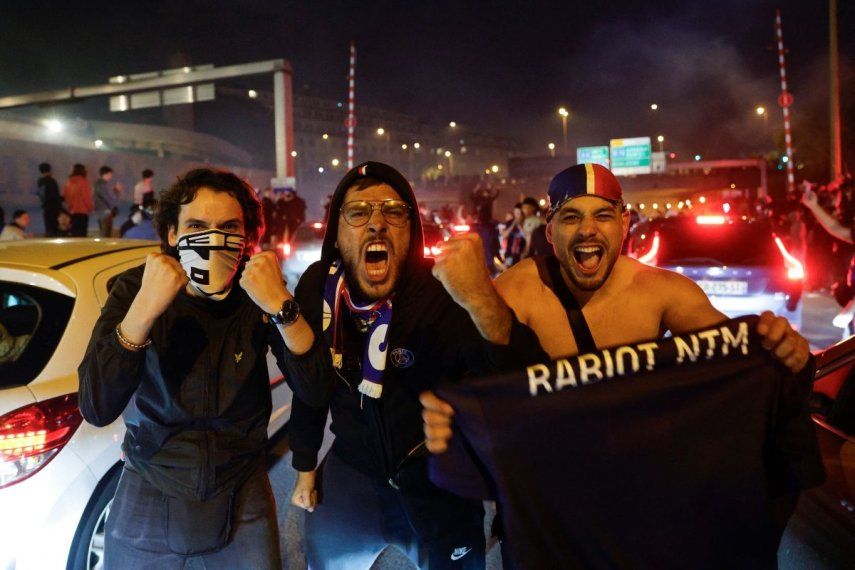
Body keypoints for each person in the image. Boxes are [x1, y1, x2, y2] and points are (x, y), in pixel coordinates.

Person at [423, 162, 811, 452]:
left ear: (624, 224)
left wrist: (779, 348)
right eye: (571, 217)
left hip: (638, 480)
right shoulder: (518, 290)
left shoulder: (663, 291)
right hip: (550, 484)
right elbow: (464, 376)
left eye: (603, 216)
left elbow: (736, 359)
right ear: (551, 231)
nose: (588, 230)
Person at [286, 162, 543, 570]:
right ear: (336, 231)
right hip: (354, 471)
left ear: (412, 229)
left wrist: (481, 298)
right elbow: (309, 384)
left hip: (437, 477)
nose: (376, 224)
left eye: (393, 211)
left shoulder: (444, 290)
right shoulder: (319, 288)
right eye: (357, 212)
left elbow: (518, 385)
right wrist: (303, 464)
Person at [77, 168, 327, 568]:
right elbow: (96, 405)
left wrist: (282, 306)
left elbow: (315, 388)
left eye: (229, 227)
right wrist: (143, 310)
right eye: (196, 226)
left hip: (242, 483)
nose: (212, 239)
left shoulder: (256, 295)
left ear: (247, 238)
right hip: (151, 479)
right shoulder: (134, 288)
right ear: (173, 235)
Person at [63, 163, 94, 237]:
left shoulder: (68, 183)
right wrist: (90, 208)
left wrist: (70, 208)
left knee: (74, 234)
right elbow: (87, 198)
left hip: (72, 213)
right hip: (82, 212)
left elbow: (66, 197)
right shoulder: (84, 182)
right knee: (82, 235)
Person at [93, 165, 123, 237]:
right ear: (105, 174)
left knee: (104, 232)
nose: (111, 177)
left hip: (99, 212)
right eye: (110, 175)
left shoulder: (97, 184)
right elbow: (109, 199)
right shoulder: (102, 185)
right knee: (106, 234)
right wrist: (117, 191)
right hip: (105, 213)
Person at [37, 162, 63, 237]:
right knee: (54, 229)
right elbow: (55, 196)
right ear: (49, 170)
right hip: (53, 209)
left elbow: (40, 194)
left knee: (48, 228)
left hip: (46, 208)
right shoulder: (51, 181)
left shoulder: (40, 181)